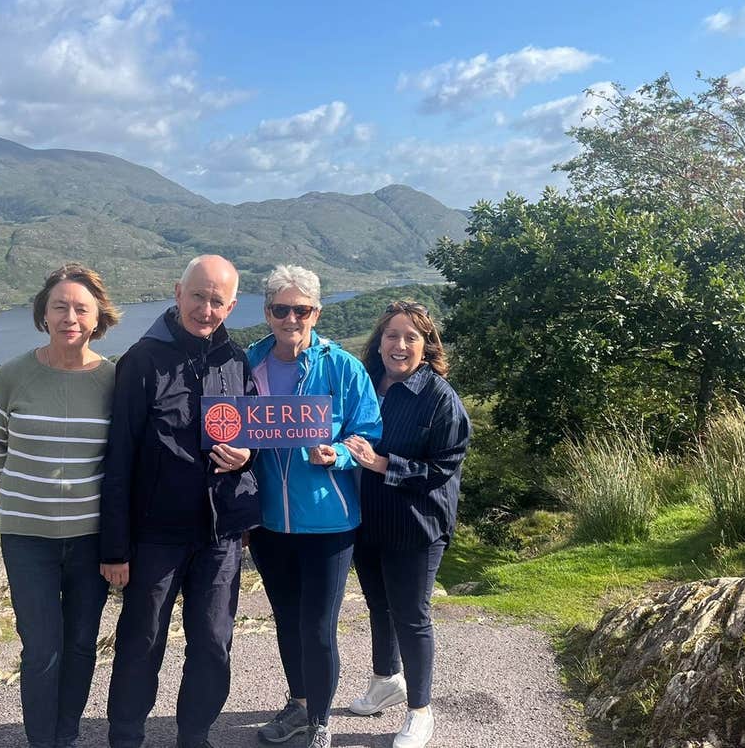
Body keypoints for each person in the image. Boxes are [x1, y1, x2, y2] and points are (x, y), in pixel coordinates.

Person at [99, 254, 259, 748]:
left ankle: (195, 735)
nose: (206, 309)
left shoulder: (236, 361)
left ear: (231, 305)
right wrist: (115, 547)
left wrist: (246, 455)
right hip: (156, 534)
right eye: (198, 296)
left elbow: (253, 435)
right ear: (177, 292)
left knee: (213, 643)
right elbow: (119, 457)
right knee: (141, 642)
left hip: (220, 534)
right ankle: (126, 736)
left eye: (217, 301)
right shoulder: (141, 361)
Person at [0, 262, 123, 748]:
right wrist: (31, 496)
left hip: (89, 539)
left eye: (80, 308)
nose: (69, 316)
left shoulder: (113, 379)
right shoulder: (13, 375)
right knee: (42, 648)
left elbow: (121, 458)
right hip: (28, 538)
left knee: (82, 646)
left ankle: (65, 736)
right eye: (59, 306)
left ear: (97, 317)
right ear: (42, 313)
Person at [245, 265, 383, 748]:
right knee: (285, 617)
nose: (290, 318)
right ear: (267, 313)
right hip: (268, 522)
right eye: (280, 309)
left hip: (328, 521)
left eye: (300, 310)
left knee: (318, 626)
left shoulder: (344, 367)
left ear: (315, 313)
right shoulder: (249, 364)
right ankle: (299, 704)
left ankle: (321, 722)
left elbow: (370, 432)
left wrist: (340, 452)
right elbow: (231, 429)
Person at [342, 301, 471, 748]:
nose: (399, 345)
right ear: (378, 342)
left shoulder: (440, 399)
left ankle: (420, 710)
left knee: (412, 616)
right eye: (392, 336)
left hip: (416, 525)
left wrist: (381, 464)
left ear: (426, 346)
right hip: (368, 519)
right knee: (378, 604)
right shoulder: (366, 385)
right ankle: (386, 679)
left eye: (411, 338)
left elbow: (442, 469)